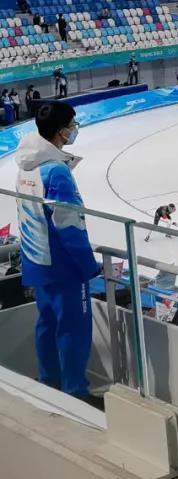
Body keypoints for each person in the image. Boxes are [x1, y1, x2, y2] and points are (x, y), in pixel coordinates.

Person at [14, 102, 101, 405]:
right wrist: (88, 264)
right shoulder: (56, 172)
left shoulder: (26, 166)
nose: (75, 129)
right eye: (73, 124)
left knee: (47, 323)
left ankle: (49, 380)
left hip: (36, 258)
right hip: (63, 265)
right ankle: (75, 390)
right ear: (62, 132)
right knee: (73, 328)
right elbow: (68, 223)